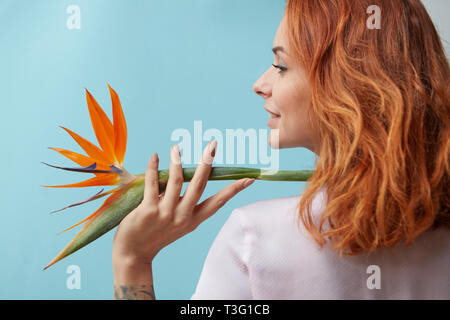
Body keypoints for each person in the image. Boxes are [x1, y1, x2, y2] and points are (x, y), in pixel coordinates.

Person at [112, 0, 449, 300]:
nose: (260, 85)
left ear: (347, 84)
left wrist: (133, 261)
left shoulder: (255, 240)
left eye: (282, 66)